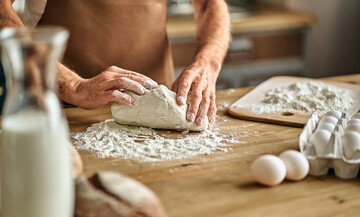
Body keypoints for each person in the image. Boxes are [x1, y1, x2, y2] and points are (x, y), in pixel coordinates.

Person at [0, 0, 230, 126]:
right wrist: (71, 85)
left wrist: (207, 63)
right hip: (63, 111)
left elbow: (210, 4)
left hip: (163, 109)